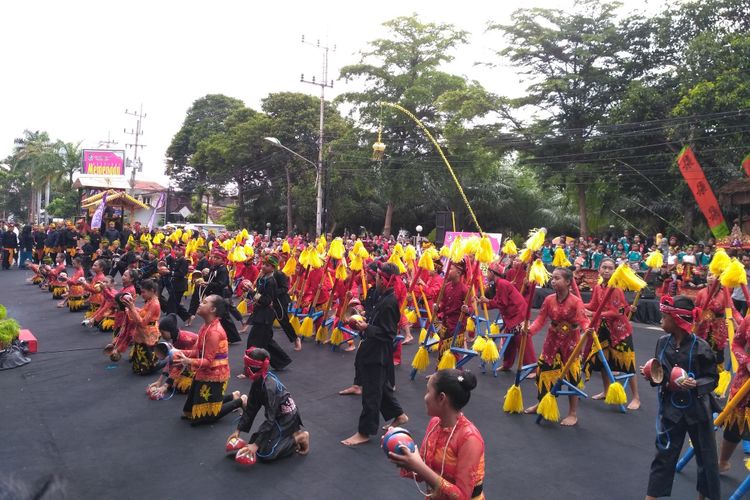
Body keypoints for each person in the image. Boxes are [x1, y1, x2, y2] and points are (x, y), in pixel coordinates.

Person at [643, 295, 720, 500]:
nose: (660, 320)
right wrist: (653, 375)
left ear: (676, 320)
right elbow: (661, 378)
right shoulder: (662, 343)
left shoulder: (702, 346)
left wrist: (696, 384)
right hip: (671, 409)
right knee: (664, 456)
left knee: (706, 457)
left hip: (697, 410)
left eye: (664, 317)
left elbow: (713, 379)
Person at [391, 369, 485, 499]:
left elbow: (463, 496)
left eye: (428, 391)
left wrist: (418, 466)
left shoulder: (469, 438)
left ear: (441, 398)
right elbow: (422, 470)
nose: (425, 397)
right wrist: (400, 448)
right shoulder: (435, 423)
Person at [342, 262, 408, 447]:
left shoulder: (389, 302)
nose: (376, 279)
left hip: (378, 352)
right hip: (373, 348)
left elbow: (388, 334)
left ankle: (365, 432)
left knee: (371, 391)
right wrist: (362, 316)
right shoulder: (382, 296)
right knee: (380, 387)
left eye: (379, 277)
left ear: (385, 280)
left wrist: (366, 327)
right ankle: (399, 415)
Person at [524, 267, 589, 426]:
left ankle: (572, 413)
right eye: (552, 278)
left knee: (572, 379)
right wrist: (530, 331)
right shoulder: (549, 300)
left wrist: (588, 329)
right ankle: (541, 403)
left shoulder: (576, 302)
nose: (553, 281)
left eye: (557, 278)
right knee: (543, 373)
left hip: (570, 344)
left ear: (568, 282)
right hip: (551, 342)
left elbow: (583, 320)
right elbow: (540, 319)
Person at [227, 347, 310, 463]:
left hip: (287, 417)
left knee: (266, 453)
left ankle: (300, 437)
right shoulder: (258, 382)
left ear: (255, 367)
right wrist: (238, 430)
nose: (245, 368)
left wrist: (256, 445)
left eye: (248, 366)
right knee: (255, 443)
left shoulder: (268, 388)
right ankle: (284, 437)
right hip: (276, 416)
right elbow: (251, 408)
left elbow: (270, 420)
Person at [175, 294, 241, 425]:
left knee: (203, 417)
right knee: (190, 411)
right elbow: (197, 352)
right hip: (205, 371)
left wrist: (188, 361)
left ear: (213, 310)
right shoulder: (205, 327)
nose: (200, 303)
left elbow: (208, 361)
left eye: (204, 302)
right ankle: (233, 396)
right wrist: (177, 352)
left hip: (215, 374)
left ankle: (240, 401)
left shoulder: (214, 332)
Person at [584, 258, 640, 410]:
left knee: (628, 364)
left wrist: (594, 314)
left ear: (614, 271)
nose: (607, 270)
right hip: (604, 330)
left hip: (620, 331)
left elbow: (616, 312)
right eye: (604, 267)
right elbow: (594, 305)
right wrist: (579, 304)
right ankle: (606, 390)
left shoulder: (616, 289)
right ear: (599, 270)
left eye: (610, 268)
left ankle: (636, 397)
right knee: (604, 361)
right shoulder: (597, 287)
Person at [242, 254, 292, 371]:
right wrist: (250, 292)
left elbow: (266, 300)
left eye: (267, 265)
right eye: (263, 264)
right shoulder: (262, 278)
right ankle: (282, 361)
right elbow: (259, 296)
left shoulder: (271, 282)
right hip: (261, 313)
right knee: (266, 341)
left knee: (253, 343)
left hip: (265, 316)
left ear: (273, 268)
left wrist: (252, 293)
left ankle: (251, 368)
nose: (264, 267)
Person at [718, 314, 750, 474]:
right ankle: (722, 462)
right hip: (745, 383)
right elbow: (737, 344)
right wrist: (747, 361)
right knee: (734, 427)